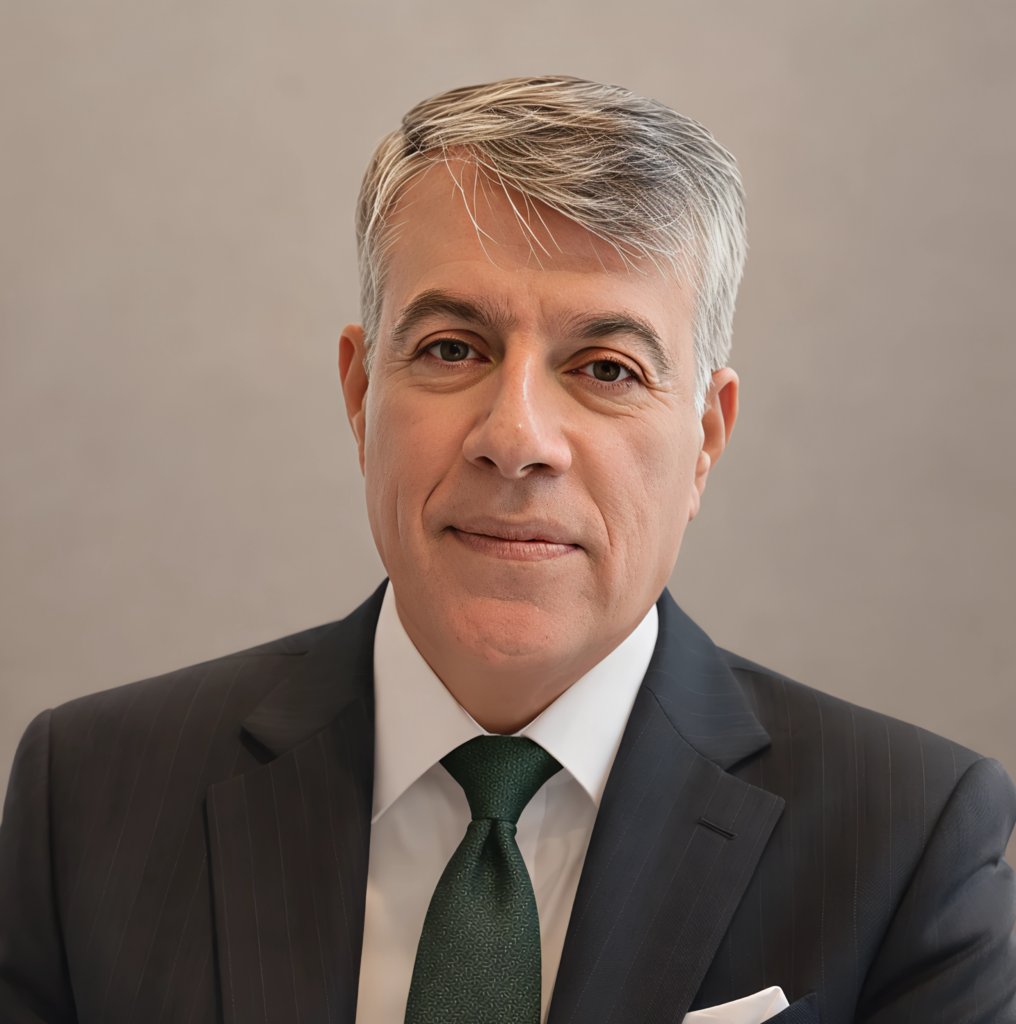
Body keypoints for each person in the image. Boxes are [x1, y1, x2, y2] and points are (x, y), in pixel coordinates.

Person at [0, 76, 1014, 1024]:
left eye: (606, 368)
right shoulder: (84, 798)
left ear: (705, 436)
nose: (516, 438)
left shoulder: (906, 841)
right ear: (360, 393)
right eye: (452, 349)